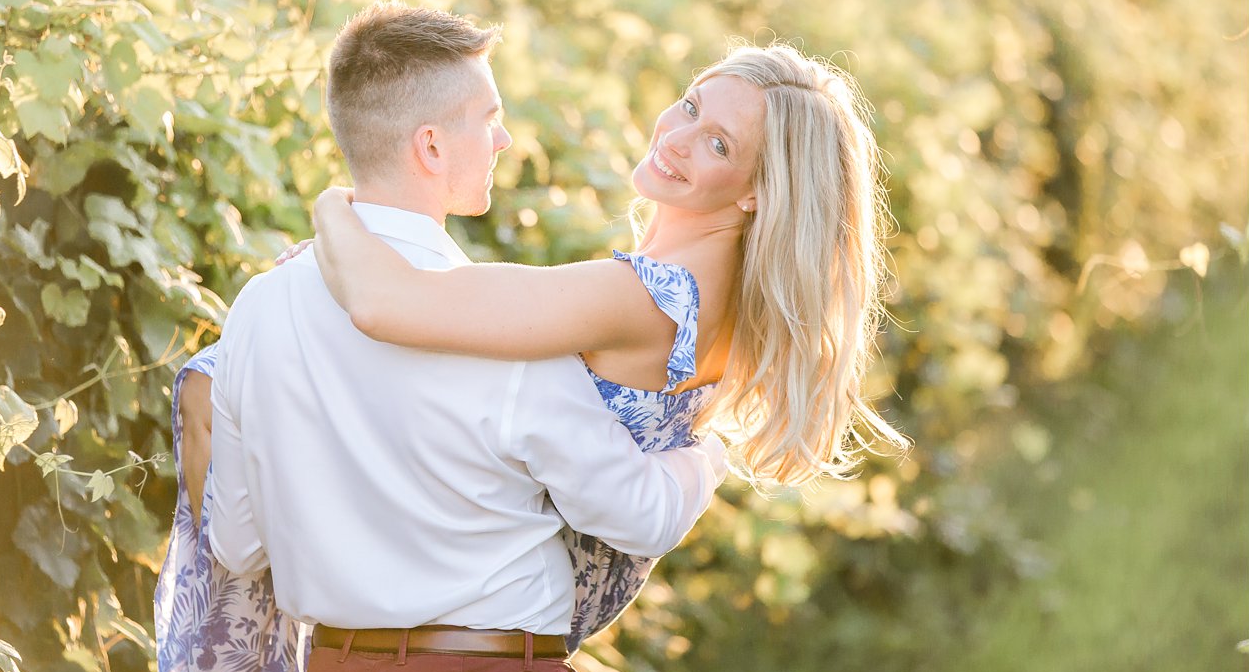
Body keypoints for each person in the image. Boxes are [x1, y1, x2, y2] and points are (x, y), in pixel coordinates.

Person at [148, 1, 727, 672]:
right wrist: (709, 453)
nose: (504, 139)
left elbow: (241, 544)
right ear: (430, 144)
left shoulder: (257, 308)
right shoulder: (500, 321)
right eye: (488, 119)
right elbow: (634, 512)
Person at [309, 39, 909, 491]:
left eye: (719, 143)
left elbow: (383, 304)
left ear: (758, 190)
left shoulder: (641, 298)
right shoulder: (711, 300)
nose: (677, 136)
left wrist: (333, 208)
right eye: (690, 106)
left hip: (496, 627)